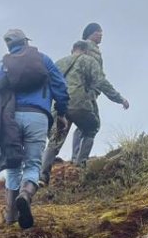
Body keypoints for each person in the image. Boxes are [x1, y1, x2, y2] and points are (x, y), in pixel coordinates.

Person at [0, 29, 68, 229]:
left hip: (10, 118)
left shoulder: (1, 65)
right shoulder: (43, 60)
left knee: (13, 165)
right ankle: (25, 195)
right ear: (25, 42)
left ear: (9, 45)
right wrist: (61, 113)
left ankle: (11, 215)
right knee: (33, 164)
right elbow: (60, 86)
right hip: (38, 116)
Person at [40, 24, 128, 184]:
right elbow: (101, 81)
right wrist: (119, 98)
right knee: (91, 127)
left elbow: (46, 85)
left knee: (55, 140)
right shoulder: (88, 60)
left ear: (72, 49)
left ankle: (42, 176)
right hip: (80, 102)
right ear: (86, 49)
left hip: (58, 106)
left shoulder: (59, 63)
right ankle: (80, 165)